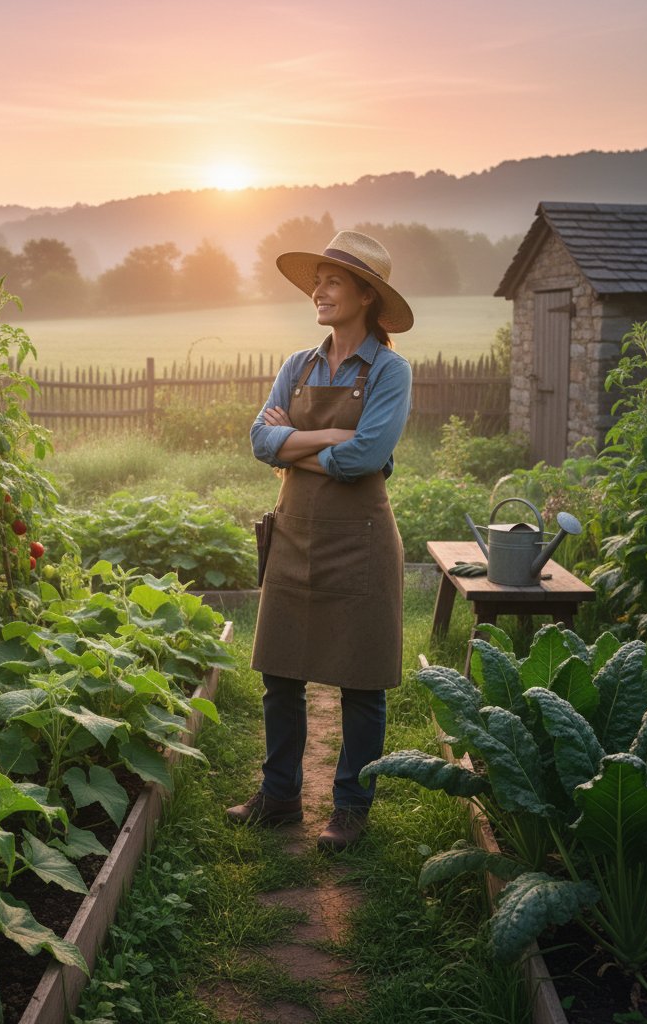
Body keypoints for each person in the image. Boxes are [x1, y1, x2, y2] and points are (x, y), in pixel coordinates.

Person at [227, 229, 414, 852]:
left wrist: (298, 446)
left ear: (367, 295)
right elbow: (258, 441)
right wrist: (329, 441)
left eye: (333, 281)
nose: (319, 290)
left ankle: (351, 808)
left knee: (360, 683)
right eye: (318, 280)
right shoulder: (298, 365)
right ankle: (279, 797)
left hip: (360, 541)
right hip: (295, 535)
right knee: (280, 674)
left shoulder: (391, 371)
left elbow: (367, 457)